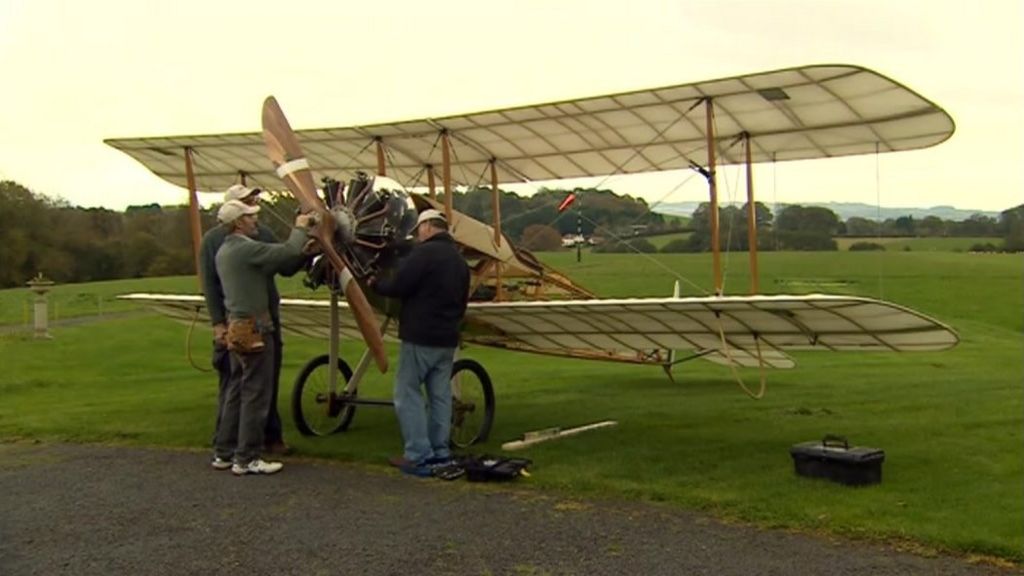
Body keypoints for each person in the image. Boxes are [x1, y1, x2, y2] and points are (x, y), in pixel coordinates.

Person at [212, 199, 313, 475]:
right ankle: (247, 458)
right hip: (256, 330)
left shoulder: (224, 251)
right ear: (238, 223)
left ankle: (224, 452)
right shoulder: (245, 249)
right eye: (249, 217)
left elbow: (272, 263)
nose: (254, 220)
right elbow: (288, 251)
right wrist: (301, 226)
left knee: (236, 391)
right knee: (257, 394)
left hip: (236, 329)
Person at [370, 208, 470, 477]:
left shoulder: (423, 253)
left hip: (420, 336)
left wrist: (375, 284)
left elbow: (400, 286)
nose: (417, 236)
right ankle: (440, 451)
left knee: (407, 394)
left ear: (426, 228)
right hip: (447, 338)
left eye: (418, 231)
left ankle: (417, 454)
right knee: (440, 396)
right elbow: (463, 302)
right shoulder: (459, 261)